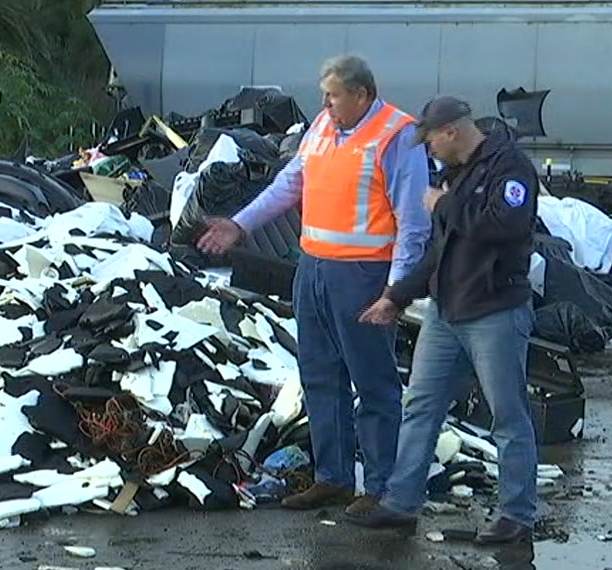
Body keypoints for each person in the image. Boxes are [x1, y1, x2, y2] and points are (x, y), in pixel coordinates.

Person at [196, 54, 431, 514]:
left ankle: (380, 487)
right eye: (324, 94)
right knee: (321, 377)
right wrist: (240, 226)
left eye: (333, 95)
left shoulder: (397, 135)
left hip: (364, 274)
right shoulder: (323, 127)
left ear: (361, 94)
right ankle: (333, 478)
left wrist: (395, 292)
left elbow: (414, 224)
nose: (324, 103)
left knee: (374, 382)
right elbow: (289, 185)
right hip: (315, 270)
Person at [347, 95, 539, 545]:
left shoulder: (509, 167)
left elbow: (504, 226)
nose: (427, 149)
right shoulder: (455, 174)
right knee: (420, 407)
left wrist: (443, 206)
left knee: (508, 417)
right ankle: (400, 504)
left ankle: (517, 515)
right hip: (445, 313)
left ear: (451, 131)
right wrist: (397, 296)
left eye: (430, 139)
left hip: (494, 311)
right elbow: (441, 251)